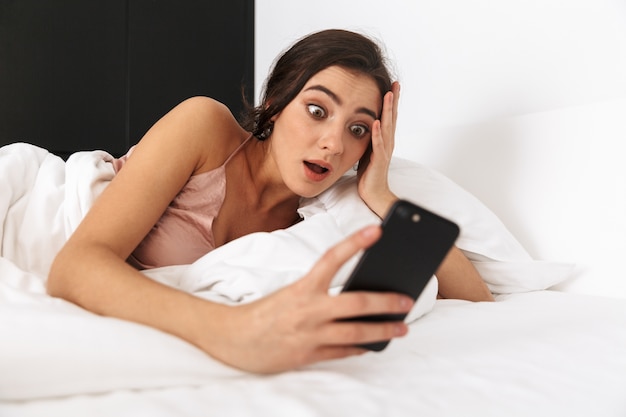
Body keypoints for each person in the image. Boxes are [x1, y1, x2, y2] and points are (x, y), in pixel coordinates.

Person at [47, 29, 494, 373]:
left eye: (358, 129)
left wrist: (379, 192)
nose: (334, 144)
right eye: (317, 111)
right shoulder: (206, 128)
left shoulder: (316, 218)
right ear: (277, 103)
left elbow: (476, 300)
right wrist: (227, 330)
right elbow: (73, 268)